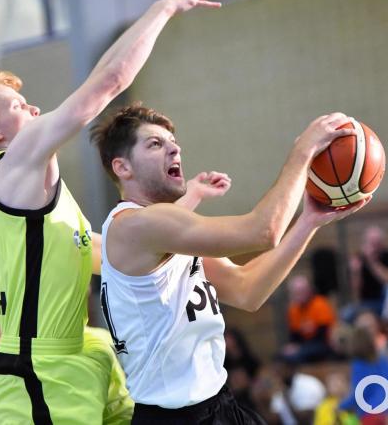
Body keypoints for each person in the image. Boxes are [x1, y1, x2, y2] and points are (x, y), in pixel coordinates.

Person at [0, 0, 225, 424]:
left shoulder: (39, 206)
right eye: (16, 105)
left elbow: (105, 254)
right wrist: (163, 7)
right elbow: (107, 83)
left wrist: (193, 223)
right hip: (42, 369)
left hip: (73, 354)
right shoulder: (11, 162)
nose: (33, 107)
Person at [91, 105, 370, 424]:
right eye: (155, 143)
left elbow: (246, 290)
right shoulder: (135, 225)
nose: (174, 147)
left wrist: (308, 222)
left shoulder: (167, 236)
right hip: (174, 418)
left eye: (173, 141)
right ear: (122, 168)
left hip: (219, 406)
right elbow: (263, 231)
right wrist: (304, 150)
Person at [281, 275, 337, 364]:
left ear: (309, 290)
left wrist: (300, 347)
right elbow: (294, 335)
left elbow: (324, 335)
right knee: (282, 356)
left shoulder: (320, 304)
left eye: (302, 291)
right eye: (297, 292)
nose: (300, 295)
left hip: (323, 344)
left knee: (298, 355)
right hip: (304, 345)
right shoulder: (293, 310)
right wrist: (292, 346)